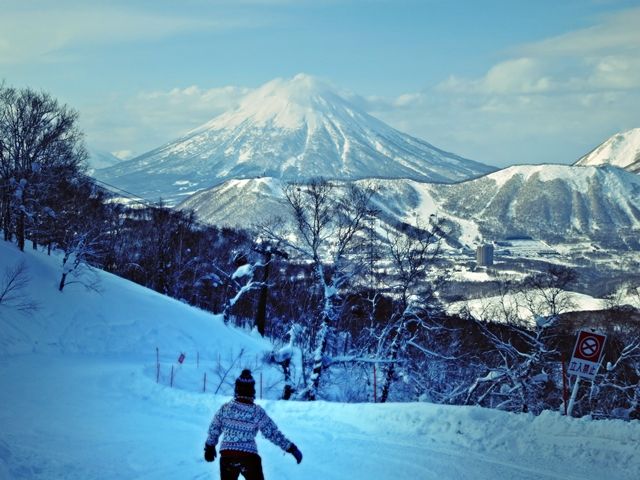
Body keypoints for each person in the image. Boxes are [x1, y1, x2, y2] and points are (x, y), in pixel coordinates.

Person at [204, 369, 303, 480]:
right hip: (249, 458)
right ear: (252, 390)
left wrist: (209, 446)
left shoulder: (225, 409)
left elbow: (214, 428)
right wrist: (291, 448)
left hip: (227, 457)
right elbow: (273, 433)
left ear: (236, 389)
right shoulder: (256, 412)